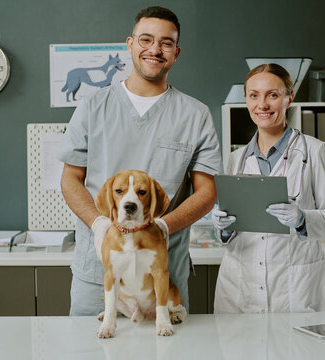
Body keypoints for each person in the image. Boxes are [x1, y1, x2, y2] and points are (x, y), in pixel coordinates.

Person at [59, 6, 222, 316]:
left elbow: (206, 192)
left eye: (166, 43)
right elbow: (70, 179)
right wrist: (99, 224)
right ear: (130, 44)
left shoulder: (195, 115)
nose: (155, 49)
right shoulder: (93, 107)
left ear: (176, 52)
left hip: (161, 275)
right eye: (146, 39)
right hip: (100, 273)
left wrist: (162, 224)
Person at [212, 63, 325, 313]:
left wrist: (302, 218)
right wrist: (223, 228)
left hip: (295, 285)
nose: (262, 105)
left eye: (272, 95)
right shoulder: (237, 158)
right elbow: (230, 232)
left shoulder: (314, 151)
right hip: (241, 283)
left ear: (288, 99)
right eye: (254, 95)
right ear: (246, 100)